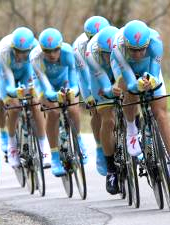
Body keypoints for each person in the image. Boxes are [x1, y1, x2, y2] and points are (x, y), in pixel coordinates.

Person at [111, 20, 170, 194]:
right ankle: (131, 130)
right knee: (129, 91)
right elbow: (130, 81)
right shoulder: (117, 46)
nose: (138, 54)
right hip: (125, 68)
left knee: (161, 114)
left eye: (141, 50)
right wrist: (135, 85)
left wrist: (149, 80)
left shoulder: (156, 43)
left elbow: (153, 73)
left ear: (147, 44)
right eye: (133, 50)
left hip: (149, 68)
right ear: (126, 45)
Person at [30, 28, 88, 176]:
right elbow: (46, 88)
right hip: (44, 84)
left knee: (74, 108)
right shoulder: (35, 57)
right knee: (53, 112)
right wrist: (52, 96)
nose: (52, 54)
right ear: (41, 49)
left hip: (65, 81)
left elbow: (74, 81)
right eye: (47, 51)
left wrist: (70, 92)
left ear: (60, 47)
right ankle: (54, 156)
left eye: (56, 50)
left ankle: (78, 139)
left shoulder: (69, 53)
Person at [0, 27, 51, 168]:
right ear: (13, 48)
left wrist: (34, 91)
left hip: (27, 72)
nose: (21, 55)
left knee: (35, 104)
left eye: (25, 52)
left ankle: (44, 146)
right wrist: (13, 94)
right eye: (18, 51)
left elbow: (36, 73)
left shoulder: (36, 48)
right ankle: (12, 144)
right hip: (7, 75)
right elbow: (8, 79)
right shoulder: (3, 50)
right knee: (14, 107)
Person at [85, 26, 127, 194]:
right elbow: (103, 84)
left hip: (120, 69)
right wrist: (110, 90)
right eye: (105, 54)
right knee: (107, 118)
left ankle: (133, 134)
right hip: (100, 77)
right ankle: (111, 169)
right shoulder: (91, 53)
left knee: (131, 99)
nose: (108, 58)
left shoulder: (121, 45)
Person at [73, 15, 110, 176]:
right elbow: (83, 75)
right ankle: (100, 147)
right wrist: (88, 96)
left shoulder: (112, 37)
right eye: (91, 38)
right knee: (96, 109)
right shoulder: (79, 47)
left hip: (109, 68)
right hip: (90, 73)